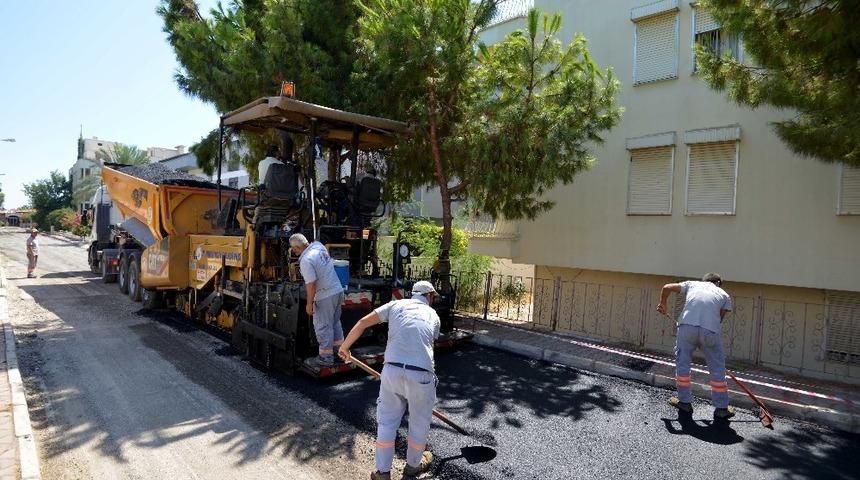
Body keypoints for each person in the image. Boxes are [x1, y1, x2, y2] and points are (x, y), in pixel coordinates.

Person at [338, 280, 441, 480]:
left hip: (392, 371)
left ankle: (382, 472)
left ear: (413, 294)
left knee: (387, 423)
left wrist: (345, 347)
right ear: (429, 296)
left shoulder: (396, 304)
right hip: (421, 374)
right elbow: (428, 346)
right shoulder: (433, 315)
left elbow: (362, 322)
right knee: (419, 422)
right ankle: (413, 466)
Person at [657, 273, 735, 419]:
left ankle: (684, 402)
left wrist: (663, 304)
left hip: (686, 328)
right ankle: (721, 409)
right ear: (718, 282)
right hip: (710, 330)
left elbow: (666, 287)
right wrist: (703, 340)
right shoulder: (724, 294)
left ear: (704, 280)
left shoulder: (692, 284)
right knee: (717, 368)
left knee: (683, 364)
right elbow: (719, 319)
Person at [289, 233, 345, 367]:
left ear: (298, 247)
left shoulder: (306, 260)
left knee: (323, 326)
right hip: (337, 290)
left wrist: (309, 303)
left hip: (325, 295)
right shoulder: (319, 247)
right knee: (335, 323)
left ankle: (326, 357)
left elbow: (311, 284)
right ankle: (340, 353)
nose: (294, 252)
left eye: (294, 249)